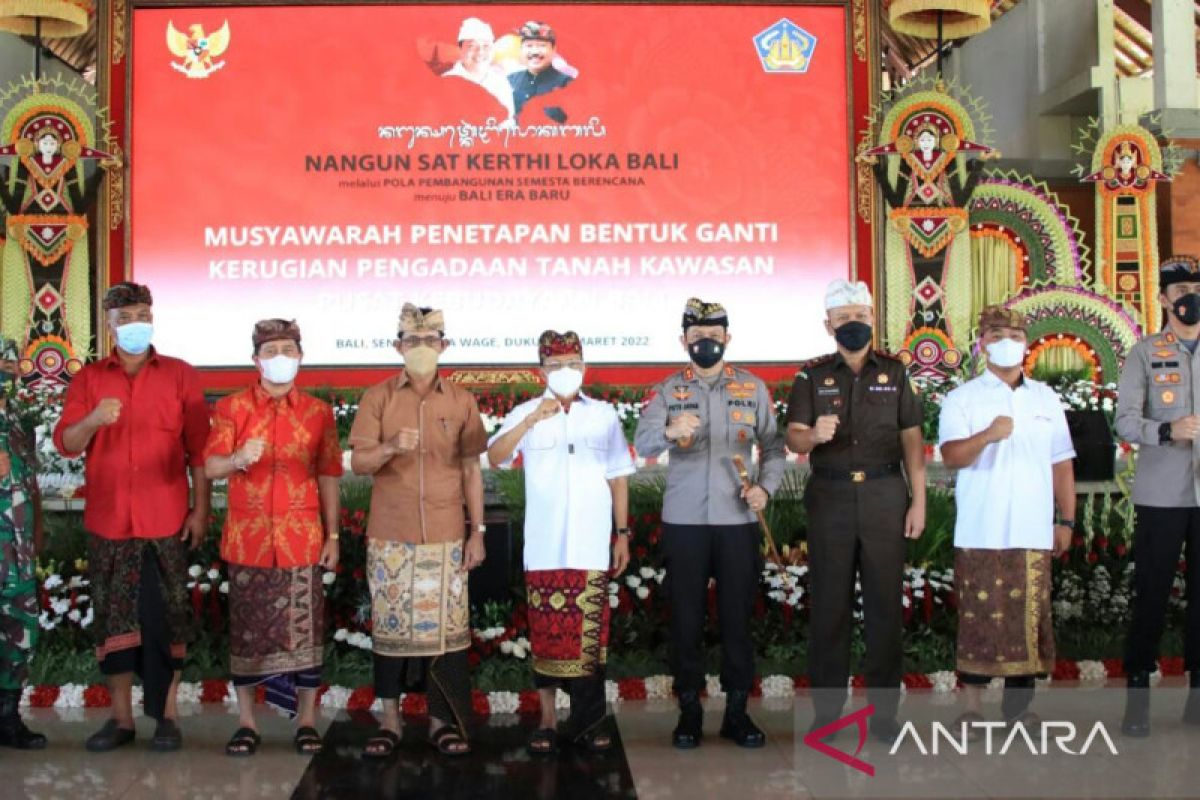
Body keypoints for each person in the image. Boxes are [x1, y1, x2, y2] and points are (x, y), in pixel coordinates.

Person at [53, 281, 210, 752]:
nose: (134, 324)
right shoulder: (89, 380)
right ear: (110, 324)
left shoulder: (180, 375)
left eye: (142, 314)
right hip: (110, 523)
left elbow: (200, 452)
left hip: (166, 520)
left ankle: (167, 717)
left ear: (152, 316)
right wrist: (93, 420)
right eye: (124, 317)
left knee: (168, 621)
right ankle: (120, 720)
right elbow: (67, 443)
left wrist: (200, 509)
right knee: (113, 622)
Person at [634, 298, 785, 749]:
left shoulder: (752, 388)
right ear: (684, 341)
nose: (706, 345)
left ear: (727, 340)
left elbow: (774, 448)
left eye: (714, 338)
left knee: (737, 617)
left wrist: (766, 489)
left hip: (737, 519)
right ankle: (690, 712)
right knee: (686, 617)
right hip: (684, 522)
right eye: (697, 339)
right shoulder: (667, 391)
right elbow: (641, 444)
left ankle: (737, 712)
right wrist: (667, 432)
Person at [785, 279, 926, 743]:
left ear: (872, 319)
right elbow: (794, 437)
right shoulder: (811, 376)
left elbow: (912, 439)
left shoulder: (895, 371)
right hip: (831, 499)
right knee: (830, 607)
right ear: (828, 325)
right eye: (843, 318)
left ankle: (884, 716)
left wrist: (918, 500)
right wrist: (813, 436)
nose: (853, 325)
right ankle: (827, 714)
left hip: (886, 495)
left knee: (886, 607)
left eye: (859, 317)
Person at [349, 304, 488, 759]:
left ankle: (440, 722)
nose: (422, 348)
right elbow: (359, 461)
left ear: (444, 346)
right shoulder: (378, 398)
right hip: (392, 535)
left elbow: (471, 470)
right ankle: (389, 722)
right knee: (389, 633)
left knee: (446, 635)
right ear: (398, 347)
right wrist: (390, 447)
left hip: (447, 534)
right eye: (412, 341)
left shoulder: (461, 400)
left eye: (431, 340)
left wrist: (478, 531)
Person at [487, 330, 634, 755]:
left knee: (589, 636)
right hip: (545, 546)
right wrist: (532, 422)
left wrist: (621, 534)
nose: (564, 372)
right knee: (548, 633)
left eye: (572, 364)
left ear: (584, 367)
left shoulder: (603, 415)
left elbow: (619, 477)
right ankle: (548, 721)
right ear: (541, 371)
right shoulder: (526, 411)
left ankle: (589, 721)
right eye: (555, 366)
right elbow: (495, 456)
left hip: (590, 544)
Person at [203, 319, 342, 757]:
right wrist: (238, 457)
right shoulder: (232, 409)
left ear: (300, 356)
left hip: (303, 538)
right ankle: (246, 723)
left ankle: (306, 722)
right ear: (256, 360)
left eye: (288, 349)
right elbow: (209, 467)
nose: (280, 357)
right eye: (271, 350)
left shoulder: (318, 412)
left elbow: (330, 475)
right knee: (248, 635)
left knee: (307, 634)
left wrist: (333, 534)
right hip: (249, 541)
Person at [938, 306, 1075, 733]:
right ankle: (972, 708)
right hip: (982, 531)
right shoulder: (962, 398)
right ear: (982, 343)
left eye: (1016, 334)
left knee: (1028, 621)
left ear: (1026, 342)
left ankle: (1019, 709)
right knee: (978, 621)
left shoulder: (1045, 398)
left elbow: (1062, 463)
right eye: (998, 333)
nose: (1008, 341)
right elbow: (951, 457)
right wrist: (987, 435)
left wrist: (1066, 521)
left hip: (1032, 530)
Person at [1115, 254, 1200, 737]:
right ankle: (1137, 698)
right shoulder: (1145, 352)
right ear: (1163, 299)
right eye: (1181, 290)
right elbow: (1124, 420)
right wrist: (1167, 430)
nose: (1191, 298)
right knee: (1150, 594)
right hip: (1162, 496)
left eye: (1195, 288)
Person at [0, 337, 45, 749]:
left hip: (18, 556)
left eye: (11, 366)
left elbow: (29, 484)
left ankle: (8, 718)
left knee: (19, 633)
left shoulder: (17, 423)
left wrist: (37, 531)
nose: (8, 371)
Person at [442, 17, 515, 121]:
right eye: (472, 46)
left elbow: (508, 123)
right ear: (460, 49)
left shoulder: (501, 82)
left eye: (486, 46)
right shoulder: (445, 83)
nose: (480, 52)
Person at [508, 21, 573, 122]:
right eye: (529, 46)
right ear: (521, 49)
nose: (535, 52)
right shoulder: (510, 81)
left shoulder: (567, 83)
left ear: (553, 50)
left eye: (541, 45)